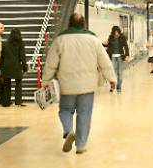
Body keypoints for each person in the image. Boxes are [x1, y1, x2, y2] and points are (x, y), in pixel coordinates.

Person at [42, 13, 116, 154]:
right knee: (84, 113)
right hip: (87, 86)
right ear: (84, 24)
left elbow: (51, 64)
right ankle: (81, 145)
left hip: (66, 86)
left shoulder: (60, 40)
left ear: (69, 24)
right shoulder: (93, 40)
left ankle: (69, 131)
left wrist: (46, 81)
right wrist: (112, 79)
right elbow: (104, 61)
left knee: (65, 110)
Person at [0, 28, 28, 107]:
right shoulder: (20, 44)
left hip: (6, 67)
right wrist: (25, 68)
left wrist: (0, 68)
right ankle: (18, 101)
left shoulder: (5, 44)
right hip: (16, 67)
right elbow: (23, 57)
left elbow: (2, 57)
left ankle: (6, 102)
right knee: (18, 84)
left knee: (7, 84)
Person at [104, 25, 130, 92]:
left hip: (120, 57)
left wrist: (127, 55)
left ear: (119, 32)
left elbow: (126, 46)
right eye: (115, 32)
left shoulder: (122, 37)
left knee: (120, 73)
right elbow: (108, 45)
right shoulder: (111, 37)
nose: (116, 34)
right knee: (112, 72)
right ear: (113, 32)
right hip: (112, 57)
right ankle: (112, 87)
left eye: (117, 32)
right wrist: (103, 44)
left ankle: (119, 87)